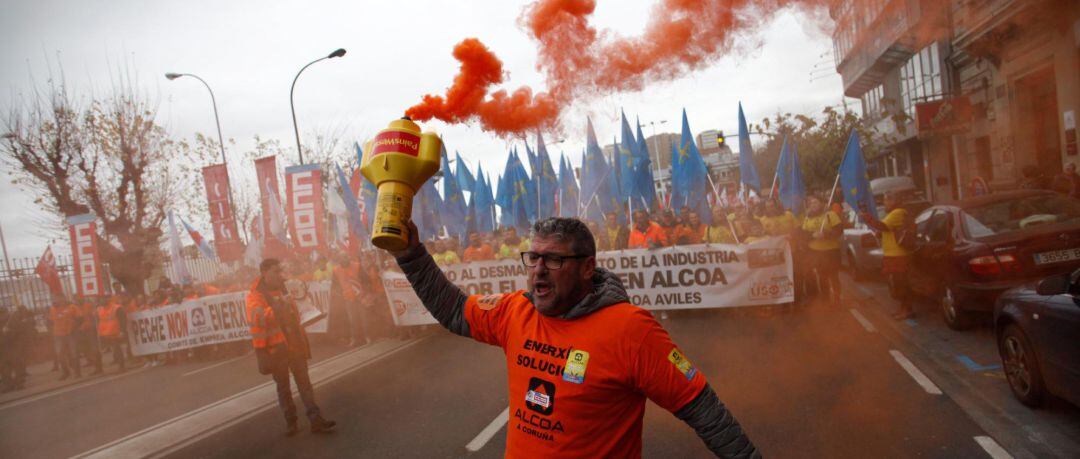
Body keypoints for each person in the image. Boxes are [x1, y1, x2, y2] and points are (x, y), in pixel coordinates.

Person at [388, 217, 758, 458]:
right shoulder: (516, 310)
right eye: (532, 258)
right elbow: (455, 311)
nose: (537, 272)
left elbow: (705, 411)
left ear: (588, 267)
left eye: (553, 261)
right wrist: (410, 254)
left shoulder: (631, 330)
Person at [247, 258, 336, 436]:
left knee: (305, 384)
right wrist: (279, 305)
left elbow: (300, 310)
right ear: (264, 273)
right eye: (275, 271)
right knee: (283, 387)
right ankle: (291, 422)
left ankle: (316, 419)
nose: (280, 275)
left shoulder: (286, 287)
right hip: (276, 350)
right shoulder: (254, 295)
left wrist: (310, 312)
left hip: (295, 345)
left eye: (280, 271)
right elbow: (259, 319)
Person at [861, 191, 915, 319]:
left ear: (893, 201)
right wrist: (879, 233)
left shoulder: (898, 212)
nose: (884, 203)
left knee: (901, 284)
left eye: (886, 200)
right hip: (892, 254)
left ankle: (907, 310)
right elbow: (886, 229)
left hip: (898, 255)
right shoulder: (892, 214)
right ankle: (903, 308)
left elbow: (883, 226)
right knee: (897, 284)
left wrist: (868, 218)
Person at [801, 195, 843, 305]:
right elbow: (803, 235)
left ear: (821, 203)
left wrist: (825, 234)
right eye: (811, 204)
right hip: (816, 252)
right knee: (822, 276)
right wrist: (812, 235)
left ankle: (837, 298)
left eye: (815, 202)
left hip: (831, 251)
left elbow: (839, 231)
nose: (813, 205)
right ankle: (826, 300)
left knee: (834, 275)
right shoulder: (807, 218)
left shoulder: (830, 215)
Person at [1, 305, 34, 391]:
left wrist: (8, 333)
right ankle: (12, 384)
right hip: (6, 346)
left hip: (11, 345)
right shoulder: (11, 319)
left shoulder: (12, 319)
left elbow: (19, 331)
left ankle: (16, 383)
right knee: (7, 366)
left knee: (12, 365)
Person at [50, 300, 81, 380]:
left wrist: (74, 328)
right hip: (58, 335)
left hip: (70, 334)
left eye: (56, 299)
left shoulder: (71, 307)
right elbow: (51, 320)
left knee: (74, 353)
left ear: (61, 299)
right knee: (60, 355)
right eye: (53, 299)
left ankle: (77, 372)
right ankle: (66, 372)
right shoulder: (52, 309)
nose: (54, 301)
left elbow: (80, 318)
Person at [96, 294, 127, 373]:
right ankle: (119, 364)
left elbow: (123, 320)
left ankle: (122, 366)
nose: (102, 301)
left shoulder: (116, 307)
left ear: (108, 299)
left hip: (115, 332)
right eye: (100, 299)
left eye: (103, 299)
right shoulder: (99, 309)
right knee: (114, 350)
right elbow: (100, 321)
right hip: (105, 333)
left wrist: (122, 331)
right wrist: (100, 333)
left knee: (117, 349)